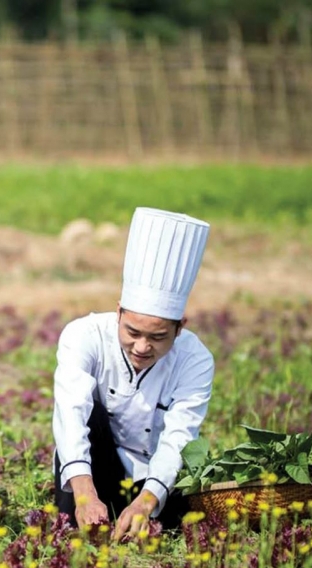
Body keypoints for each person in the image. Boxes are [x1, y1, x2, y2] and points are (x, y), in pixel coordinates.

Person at [53, 207, 214, 540]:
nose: (142, 346)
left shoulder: (195, 359)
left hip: (155, 475)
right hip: (95, 466)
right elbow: (70, 414)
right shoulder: (83, 335)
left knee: (165, 529)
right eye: (132, 332)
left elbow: (179, 437)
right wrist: (84, 495)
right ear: (118, 312)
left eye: (158, 337)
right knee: (75, 531)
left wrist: (146, 502)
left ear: (180, 328)